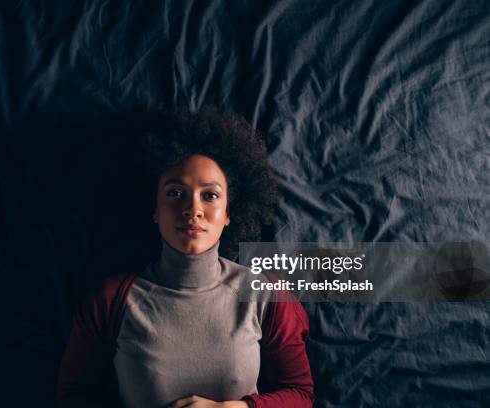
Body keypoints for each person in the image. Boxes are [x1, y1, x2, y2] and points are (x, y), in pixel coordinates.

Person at [57, 107, 314, 408]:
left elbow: (300, 395)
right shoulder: (110, 302)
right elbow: (73, 398)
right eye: (176, 193)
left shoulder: (265, 295)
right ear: (153, 209)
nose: (193, 210)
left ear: (230, 213)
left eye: (210, 195)